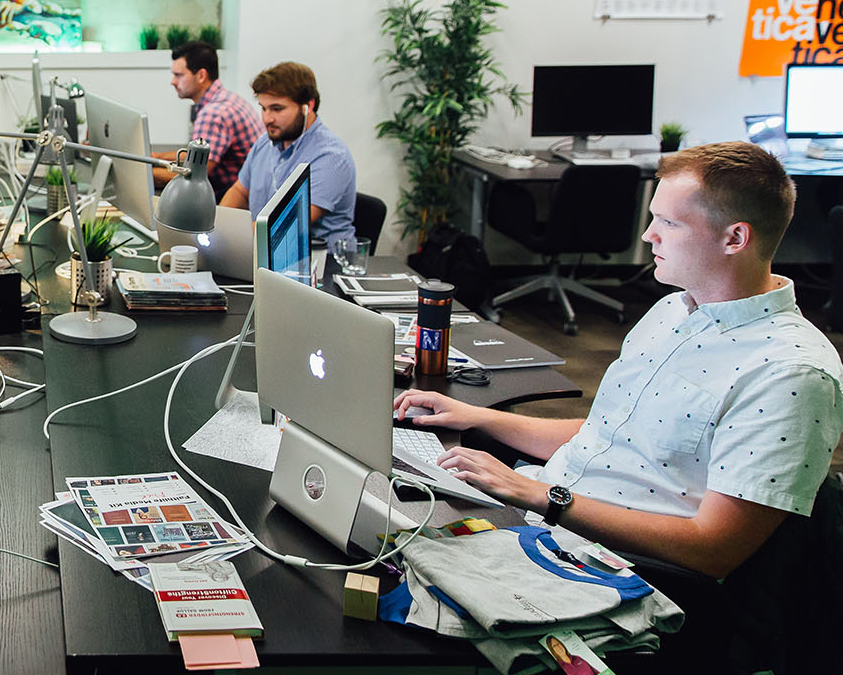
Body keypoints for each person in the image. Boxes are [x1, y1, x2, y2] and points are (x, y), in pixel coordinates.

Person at [397, 142, 843, 579]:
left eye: (668, 222)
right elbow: (609, 435)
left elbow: (715, 548)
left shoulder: (791, 374)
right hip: (549, 513)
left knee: (388, 570)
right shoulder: (672, 310)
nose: (648, 235)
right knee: (384, 507)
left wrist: (541, 497)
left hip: (621, 571)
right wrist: (479, 417)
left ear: (735, 237)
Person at [219, 61, 356, 247]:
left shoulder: (331, 157)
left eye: (277, 109)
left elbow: (286, 226)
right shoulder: (264, 144)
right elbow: (240, 192)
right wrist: (218, 227)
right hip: (263, 251)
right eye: (263, 108)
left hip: (320, 264)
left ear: (308, 106)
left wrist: (227, 238)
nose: (267, 119)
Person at [151, 41, 263, 198]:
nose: (173, 82)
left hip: (231, 198)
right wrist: (158, 157)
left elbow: (194, 176)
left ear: (202, 76)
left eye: (179, 75)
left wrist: (146, 173)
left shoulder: (213, 114)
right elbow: (200, 154)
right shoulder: (226, 99)